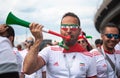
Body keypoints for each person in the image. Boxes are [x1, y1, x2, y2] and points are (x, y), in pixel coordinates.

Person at [23, 12, 97, 78]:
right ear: (60, 30)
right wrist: (38, 40)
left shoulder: (89, 56)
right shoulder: (49, 51)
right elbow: (27, 69)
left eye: (73, 27)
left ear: (79, 31)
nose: (68, 31)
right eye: (64, 27)